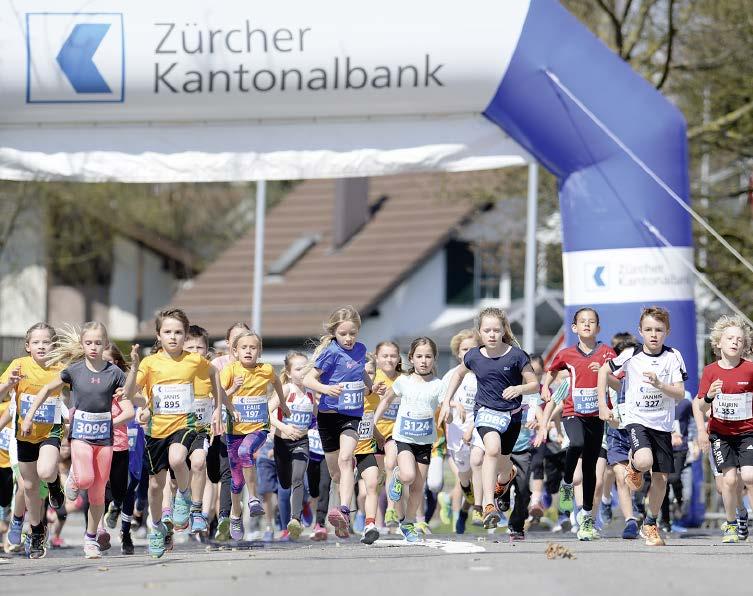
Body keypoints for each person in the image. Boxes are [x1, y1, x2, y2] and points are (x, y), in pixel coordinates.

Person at [22, 323, 138, 559]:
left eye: (98, 343)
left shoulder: (114, 373)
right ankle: (75, 476)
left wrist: (134, 367)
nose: (94, 347)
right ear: (82, 344)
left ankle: (91, 538)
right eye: (89, 343)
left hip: (104, 440)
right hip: (81, 437)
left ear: (105, 344)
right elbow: (45, 389)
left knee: (97, 494)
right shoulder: (74, 370)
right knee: (86, 478)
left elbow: (128, 404)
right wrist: (29, 416)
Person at [134, 308, 225, 558]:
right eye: (168, 332)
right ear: (158, 335)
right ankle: (157, 529)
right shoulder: (150, 362)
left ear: (185, 335)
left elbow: (214, 374)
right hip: (156, 430)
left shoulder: (194, 360)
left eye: (178, 332)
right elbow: (136, 391)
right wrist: (143, 406)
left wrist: (217, 408)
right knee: (155, 485)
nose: (173, 337)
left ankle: (184, 497)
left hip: (185, 425)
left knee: (178, 459)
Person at [440, 307, 539, 529]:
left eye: (496, 330)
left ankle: (506, 477)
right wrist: (447, 401)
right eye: (487, 330)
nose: (492, 334)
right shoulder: (474, 356)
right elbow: (457, 374)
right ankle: (487, 505)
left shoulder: (516, 355)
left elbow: (535, 384)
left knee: (504, 467)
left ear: (504, 330)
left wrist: (518, 389)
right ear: (480, 333)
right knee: (491, 450)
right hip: (485, 412)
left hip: (512, 417)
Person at [597, 306, 687, 547]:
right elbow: (605, 370)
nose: (653, 334)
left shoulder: (673, 357)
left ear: (667, 332)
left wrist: (660, 384)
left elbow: (679, 394)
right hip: (637, 420)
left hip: (663, 425)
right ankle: (635, 465)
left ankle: (650, 522)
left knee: (660, 479)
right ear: (641, 331)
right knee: (645, 461)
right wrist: (602, 405)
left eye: (659, 330)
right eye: (648, 330)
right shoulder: (630, 354)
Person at [539, 308, 616, 541]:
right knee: (576, 442)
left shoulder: (606, 353)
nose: (587, 325)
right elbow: (551, 373)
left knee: (592, 469)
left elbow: (618, 381)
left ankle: (586, 519)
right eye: (582, 322)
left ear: (598, 328)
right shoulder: (567, 354)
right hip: (573, 412)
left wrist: (604, 373)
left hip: (597, 415)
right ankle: (566, 481)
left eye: (592, 322)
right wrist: (545, 387)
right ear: (574, 328)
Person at [303, 306, 379, 538]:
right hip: (327, 416)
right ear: (334, 332)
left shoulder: (361, 350)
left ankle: (344, 510)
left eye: (352, 333)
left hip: (351, 415)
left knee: (347, 459)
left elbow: (361, 373)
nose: (348, 338)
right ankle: (342, 508)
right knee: (336, 473)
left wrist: (371, 386)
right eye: (343, 333)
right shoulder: (330, 353)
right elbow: (308, 379)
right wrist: (326, 388)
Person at [0, 323, 66, 559]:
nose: (41, 346)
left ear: (53, 345)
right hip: (24, 434)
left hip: (50, 431)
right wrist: (8, 384)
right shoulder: (19, 365)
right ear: (28, 346)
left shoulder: (61, 368)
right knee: (28, 486)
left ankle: (55, 485)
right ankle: (37, 530)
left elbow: (80, 390)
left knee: (46, 471)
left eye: (46, 342)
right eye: (36, 342)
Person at [220, 330, 293, 541]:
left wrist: (283, 402)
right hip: (234, 431)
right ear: (235, 351)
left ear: (259, 351)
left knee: (246, 452)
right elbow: (219, 394)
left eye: (253, 348)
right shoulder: (230, 370)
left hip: (258, 428)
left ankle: (252, 498)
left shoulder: (266, 370)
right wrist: (233, 388)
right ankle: (235, 515)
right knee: (235, 482)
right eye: (244, 348)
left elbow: (278, 382)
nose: (248, 351)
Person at [376, 337, 445, 543]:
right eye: (419, 356)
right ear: (411, 359)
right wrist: (373, 421)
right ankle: (397, 476)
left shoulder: (438, 385)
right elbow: (387, 399)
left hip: (425, 442)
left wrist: (451, 411)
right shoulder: (403, 381)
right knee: (407, 476)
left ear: (434, 359)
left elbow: (445, 405)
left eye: (428, 356)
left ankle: (408, 523)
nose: (424, 361)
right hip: (404, 438)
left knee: (418, 487)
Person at [695, 315, 753, 543]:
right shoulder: (710, 371)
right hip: (721, 433)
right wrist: (709, 396)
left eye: (739, 339)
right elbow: (700, 404)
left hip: (747, 431)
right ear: (718, 343)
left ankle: (745, 517)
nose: (734, 342)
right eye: (729, 338)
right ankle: (732, 522)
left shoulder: (750, 369)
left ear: (745, 344)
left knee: (749, 475)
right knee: (728, 481)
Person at [274, 351, 317, 541]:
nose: (302, 372)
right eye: (298, 369)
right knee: (284, 482)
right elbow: (266, 412)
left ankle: (295, 520)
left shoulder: (310, 393)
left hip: (302, 442)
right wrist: (284, 427)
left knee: (298, 478)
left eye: (305, 369)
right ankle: (302, 504)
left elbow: (318, 416)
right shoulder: (286, 389)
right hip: (282, 442)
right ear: (289, 372)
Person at [442, 329, 480, 534]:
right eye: (465, 349)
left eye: (473, 349)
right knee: (465, 480)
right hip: (457, 436)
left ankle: (479, 508)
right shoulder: (451, 376)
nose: (469, 353)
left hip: (478, 431)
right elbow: (442, 403)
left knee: (481, 466)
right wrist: (453, 405)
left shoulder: (484, 374)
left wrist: (473, 427)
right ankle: (467, 508)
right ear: (458, 353)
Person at [604, 332, 641, 539]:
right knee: (616, 474)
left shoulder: (643, 371)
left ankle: (636, 506)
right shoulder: (612, 371)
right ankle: (630, 520)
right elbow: (612, 383)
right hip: (616, 429)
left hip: (639, 429)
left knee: (635, 476)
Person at [183, 325, 214, 535]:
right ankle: (176, 507)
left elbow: (221, 395)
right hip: (174, 430)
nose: (195, 352)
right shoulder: (176, 370)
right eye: (191, 347)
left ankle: (199, 512)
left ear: (207, 350)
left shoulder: (210, 370)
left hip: (201, 428)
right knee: (175, 475)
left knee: (199, 464)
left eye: (199, 348)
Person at [353, 352, 384, 544]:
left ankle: (370, 524)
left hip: (366, 450)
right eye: (362, 373)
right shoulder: (348, 397)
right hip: (346, 453)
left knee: (372, 485)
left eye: (370, 373)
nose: (366, 377)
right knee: (342, 487)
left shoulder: (375, 399)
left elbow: (369, 423)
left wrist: (379, 436)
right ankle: (344, 515)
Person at [371, 341, 403, 531]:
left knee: (392, 464)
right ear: (377, 358)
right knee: (375, 480)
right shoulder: (372, 378)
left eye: (393, 356)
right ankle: (373, 520)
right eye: (385, 356)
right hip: (373, 432)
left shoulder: (404, 379)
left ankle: (391, 510)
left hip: (394, 432)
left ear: (399, 358)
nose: (389, 359)